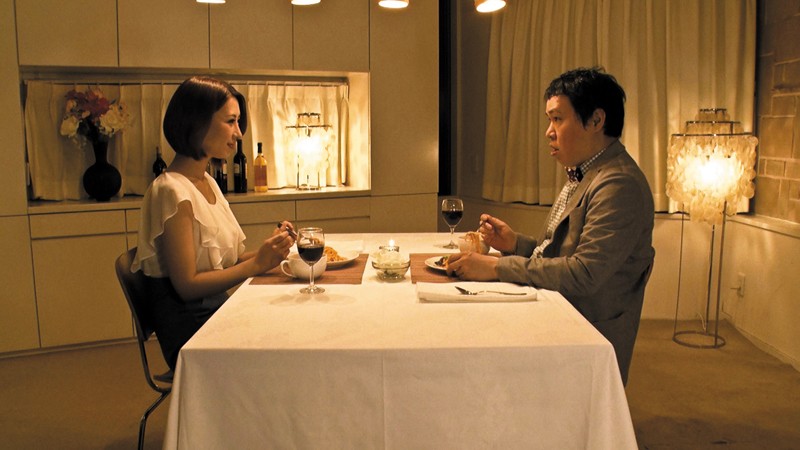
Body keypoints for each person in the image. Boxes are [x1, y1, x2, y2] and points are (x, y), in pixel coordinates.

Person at [447, 67, 654, 385]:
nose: (548, 132)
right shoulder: (584, 173)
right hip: (560, 310)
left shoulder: (618, 184)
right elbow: (560, 252)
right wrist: (515, 243)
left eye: (557, 119)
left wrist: (496, 267)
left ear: (596, 121)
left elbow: (584, 274)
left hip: (586, 332)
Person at [131, 76, 295, 371]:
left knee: (291, 320)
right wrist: (257, 264)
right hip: (192, 329)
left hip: (215, 311)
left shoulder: (205, 180)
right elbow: (187, 286)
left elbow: (226, 262)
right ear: (197, 122)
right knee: (288, 341)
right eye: (231, 121)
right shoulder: (170, 191)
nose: (239, 133)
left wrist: (272, 252)